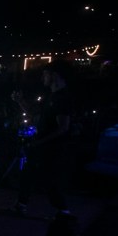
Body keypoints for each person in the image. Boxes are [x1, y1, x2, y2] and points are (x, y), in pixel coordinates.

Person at [10, 60, 75, 218]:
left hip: (52, 148)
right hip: (42, 146)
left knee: (50, 181)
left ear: (55, 75)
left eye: (45, 74)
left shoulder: (62, 98)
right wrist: (20, 101)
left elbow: (63, 127)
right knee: (28, 174)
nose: (42, 78)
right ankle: (22, 204)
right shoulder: (51, 96)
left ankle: (64, 212)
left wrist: (39, 141)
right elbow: (35, 114)